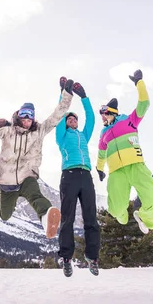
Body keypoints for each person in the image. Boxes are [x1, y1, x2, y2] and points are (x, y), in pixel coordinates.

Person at [0, 79, 74, 239]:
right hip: (7, 183)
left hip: (27, 176)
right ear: (18, 116)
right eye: (24, 117)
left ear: (33, 119)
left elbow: (56, 116)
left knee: (36, 196)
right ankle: (10, 209)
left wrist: (66, 95)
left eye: (30, 118)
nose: (27, 121)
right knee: (5, 215)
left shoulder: (39, 131)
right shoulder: (9, 131)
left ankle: (46, 218)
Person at [96, 69, 153, 234]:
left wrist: (139, 82)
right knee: (116, 209)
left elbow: (144, 103)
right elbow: (101, 152)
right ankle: (123, 215)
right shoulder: (104, 133)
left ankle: (145, 217)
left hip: (136, 166)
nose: (102, 117)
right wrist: (99, 168)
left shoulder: (129, 121)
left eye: (103, 113)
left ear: (110, 112)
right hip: (116, 172)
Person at [55, 77, 100, 277]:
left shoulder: (83, 135)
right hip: (70, 176)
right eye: (69, 119)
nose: (72, 120)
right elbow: (58, 115)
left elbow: (91, 118)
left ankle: (92, 258)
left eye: (74, 119)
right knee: (68, 218)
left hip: (86, 177)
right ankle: (66, 258)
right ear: (65, 124)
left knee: (91, 218)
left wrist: (84, 97)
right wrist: (64, 93)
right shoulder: (62, 136)